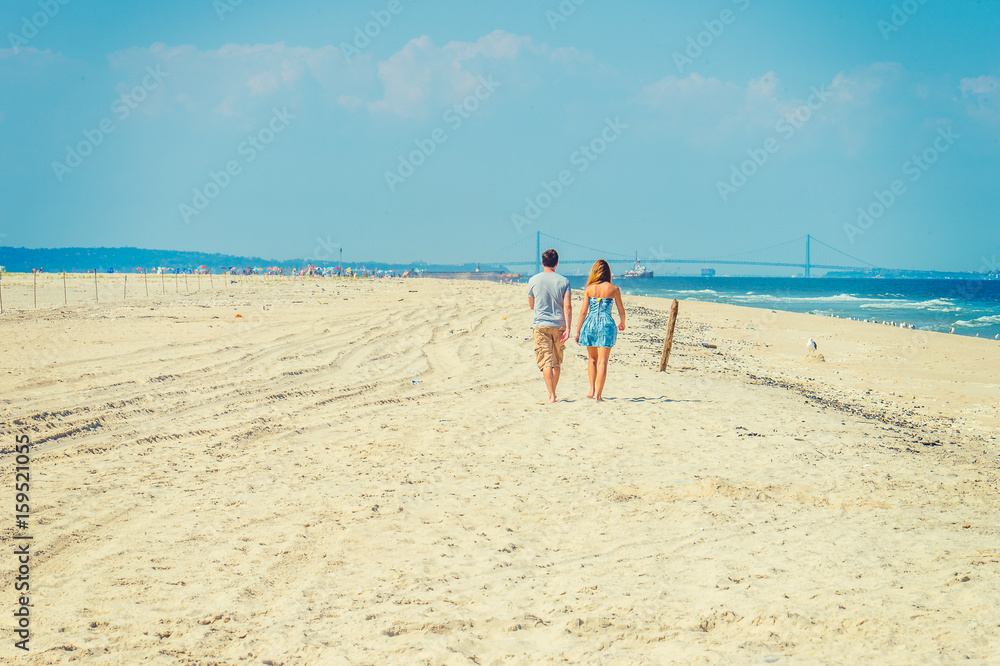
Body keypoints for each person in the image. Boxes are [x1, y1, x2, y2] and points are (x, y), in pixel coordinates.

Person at [575, 259, 625, 401]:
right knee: (603, 361)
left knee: (592, 359)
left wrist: (578, 330)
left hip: (590, 323)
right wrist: (622, 322)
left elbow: (583, 312)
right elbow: (621, 310)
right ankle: (598, 395)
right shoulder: (614, 289)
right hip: (606, 324)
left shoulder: (590, 289)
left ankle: (591, 390)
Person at [527, 249, 572, 403]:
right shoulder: (564, 281)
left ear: (542, 262)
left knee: (546, 360)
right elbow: (567, 307)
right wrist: (569, 328)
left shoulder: (533, 280)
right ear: (557, 263)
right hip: (559, 325)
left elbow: (531, 305)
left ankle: (551, 395)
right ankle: (554, 392)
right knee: (557, 361)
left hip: (541, 325)